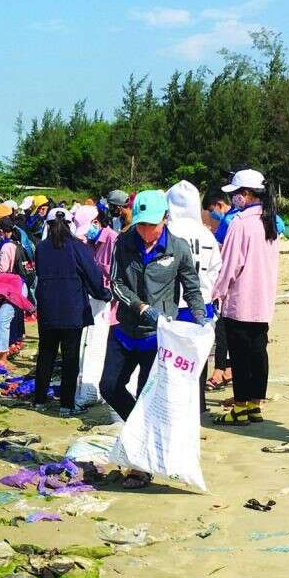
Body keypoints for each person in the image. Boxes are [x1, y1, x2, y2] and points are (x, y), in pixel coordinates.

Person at [103, 190, 203, 460]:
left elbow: (192, 289)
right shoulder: (124, 242)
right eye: (142, 224)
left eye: (152, 225)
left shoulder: (178, 248)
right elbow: (117, 283)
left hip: (158, 337)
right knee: (109, 386)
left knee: (146, 396)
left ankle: (142, 458)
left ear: (166, 219)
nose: (146, 231)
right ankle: (143, 433)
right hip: (125, 330)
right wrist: (140, 308)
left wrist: (201, 319)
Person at [209, 169, 281, 425]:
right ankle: (254, 404)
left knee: (239, 356)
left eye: (237, 194)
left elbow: (230, 265)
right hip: (263, 300)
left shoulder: (240, 223)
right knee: (258, 353)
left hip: (240, 300)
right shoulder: (269, 221)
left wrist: (216, 292)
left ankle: (240, 406)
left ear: (247, 194)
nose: (234, 199)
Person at [30, 210, 109, 413]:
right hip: (72, 308)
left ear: (48, 225)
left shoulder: (41, 248)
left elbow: (40, 273)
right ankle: (66, 404)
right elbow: (92, 273)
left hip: (47, 308)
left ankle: (39, 400)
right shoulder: (77, 246)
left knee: (46, 354)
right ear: (69, 224)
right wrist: (103, 293)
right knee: (70, 358)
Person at [165, 181, 220, 406]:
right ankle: (198, 403)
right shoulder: (206, 235)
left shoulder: (168, 232)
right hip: (202, 303)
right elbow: (216, 268)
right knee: (199, 356)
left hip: (174, 304)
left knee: (173, 359)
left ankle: (176, 403)